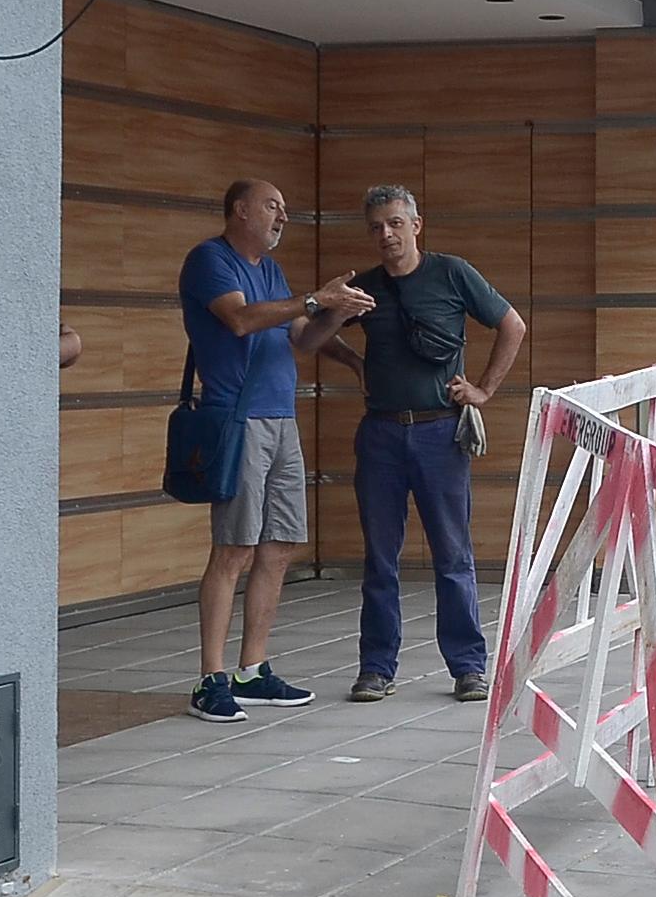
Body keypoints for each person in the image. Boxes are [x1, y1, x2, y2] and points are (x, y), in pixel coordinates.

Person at [179, 179, 374, 723]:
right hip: (238, 420)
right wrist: (316, 299)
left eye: (285, 208)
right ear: (239, 210)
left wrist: (339, 320)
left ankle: (252, 671)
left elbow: (302, 337)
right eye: (272, 206)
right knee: (234, 550)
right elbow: (240, 320)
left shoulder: (270, 270)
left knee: (280, 546)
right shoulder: (209, 261)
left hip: (281, 420)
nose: (282, 215)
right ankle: (210, 679)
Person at [326, 185, 528, 703]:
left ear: (417, 225)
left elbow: (512, 325)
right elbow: (306, 335)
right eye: (376, 227)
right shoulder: (364, 287)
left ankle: (468, 667)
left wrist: (482, 390)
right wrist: (350, 354)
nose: (386, 235)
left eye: (395, 223)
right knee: (380, 557)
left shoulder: (452, 272)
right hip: (381, 432)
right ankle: (376, 667)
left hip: (441, 431)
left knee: (453, 554)